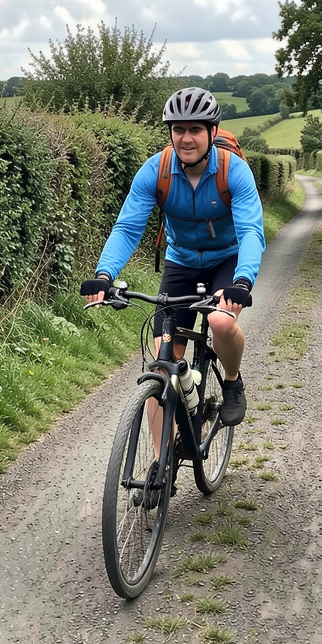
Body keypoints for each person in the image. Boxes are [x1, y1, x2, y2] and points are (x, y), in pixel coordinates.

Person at [81, 87, 265, 425]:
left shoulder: (233, 171)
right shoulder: (156, 171)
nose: (186, 138)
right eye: (178, 129)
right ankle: (158, 469)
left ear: (211, 132)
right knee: (161, 368)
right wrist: (105, 275)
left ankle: (231, 382)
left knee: (220, 321)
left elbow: (251, 232)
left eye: (195, 129)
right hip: (180, 262)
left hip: (226, 259)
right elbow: (127, 229)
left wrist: (241, 281)